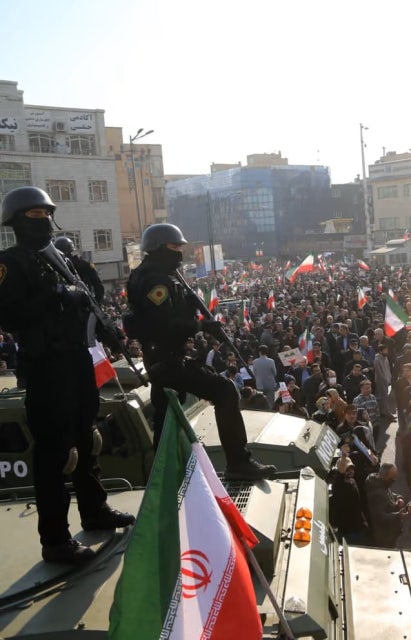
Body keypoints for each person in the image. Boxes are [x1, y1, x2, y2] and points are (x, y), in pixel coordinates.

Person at [0, 186, 134, 563]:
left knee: (86, 439)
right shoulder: (11, 263)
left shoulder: (57, 258)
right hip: (45, 368)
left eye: (46, 214)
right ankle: (55, 540)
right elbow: (9, 317)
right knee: (54, 453)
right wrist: (58, 294)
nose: (42, 220)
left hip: (76, 361)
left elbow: (87, 298)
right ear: (15, 221)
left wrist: (99, 322)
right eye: (33, 215)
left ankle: (94, 510)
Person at [124, 223, 274, 481]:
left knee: (165, 415)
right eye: (174, 247)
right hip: (167, 358)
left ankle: (161, 475)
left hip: (161, 358)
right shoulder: (155, 279)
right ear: (158, 247)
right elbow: (165, 323)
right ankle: (238, 462)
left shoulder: (155, 273)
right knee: (225, 390)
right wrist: (202, 325)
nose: (179, 252)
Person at [53, 235, 105, 301]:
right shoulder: (57, 266)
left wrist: (96, 301)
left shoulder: (85, 265)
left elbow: (97, 284)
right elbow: (98, 284)